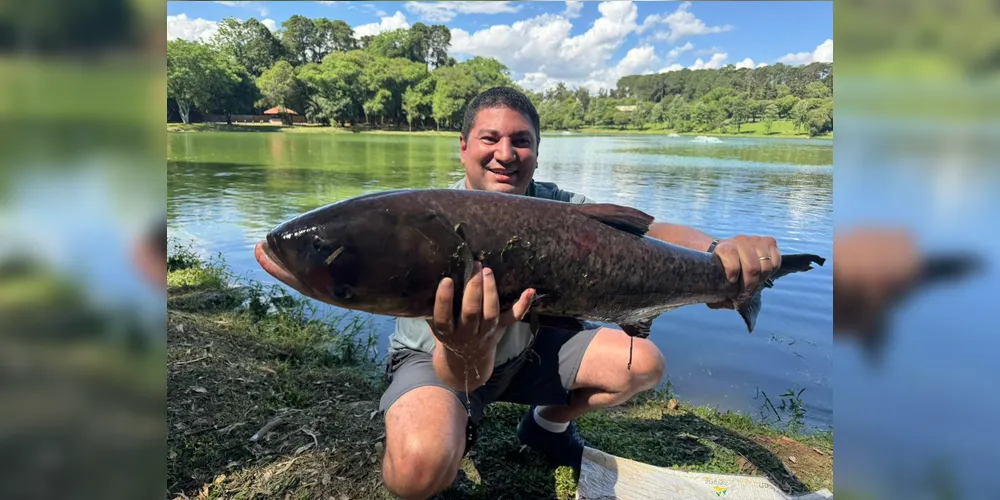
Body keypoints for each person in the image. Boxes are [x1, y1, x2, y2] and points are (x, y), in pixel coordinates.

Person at [378, 86, 784, 499]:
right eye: (490, 139)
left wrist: (720, 254)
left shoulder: (556, 205)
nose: (505, 153)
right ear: (463, 147)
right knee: (417, 472)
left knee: (642, 363)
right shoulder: (430, 223)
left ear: (537, 152)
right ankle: (451, 422)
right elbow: (460, 370)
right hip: (442, 361)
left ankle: (544, 428)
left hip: (530, 353)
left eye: (521, 141)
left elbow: (650, 232)